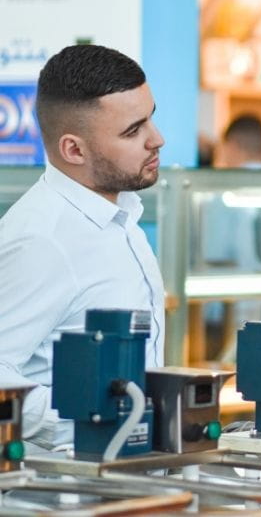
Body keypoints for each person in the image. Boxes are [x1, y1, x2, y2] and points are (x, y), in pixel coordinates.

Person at [0, 44, 165, 450]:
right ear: (74, 150)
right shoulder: (41, 239)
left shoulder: (123, 216)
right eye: (133, 131)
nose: (156, 140)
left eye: (151, 119)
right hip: (65, 495)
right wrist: (89, 426)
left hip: (127, 477)